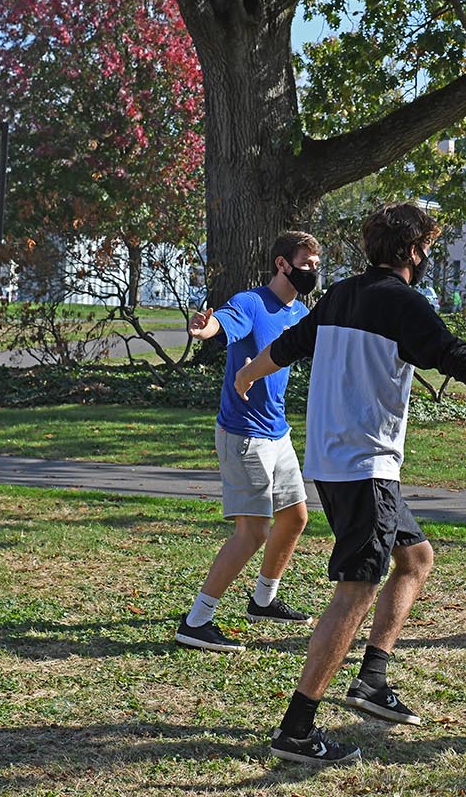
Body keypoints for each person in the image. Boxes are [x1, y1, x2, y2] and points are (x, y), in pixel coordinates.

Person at [235, 202, 466, 767]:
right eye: (427, 247)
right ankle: (297, 728)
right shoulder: (404, 304)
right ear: (411, 252)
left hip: (335, 465)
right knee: (356, 590)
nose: (428, 256)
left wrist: (246, 373)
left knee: (416, 559)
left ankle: (372, 679)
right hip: (365, 468)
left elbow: (288, 348)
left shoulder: (339, 295)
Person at [174, 231, 323, 653]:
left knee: (294, 518)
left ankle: (263, 600)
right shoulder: (252, 303)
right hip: (244, 434)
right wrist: (207, 329)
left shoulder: (300, 313)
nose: (312, 271)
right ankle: (196, 621)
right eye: (305, 263)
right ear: (282, 263)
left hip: (278, 431)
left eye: (315, 265)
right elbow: (224, 320)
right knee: (253, 531)